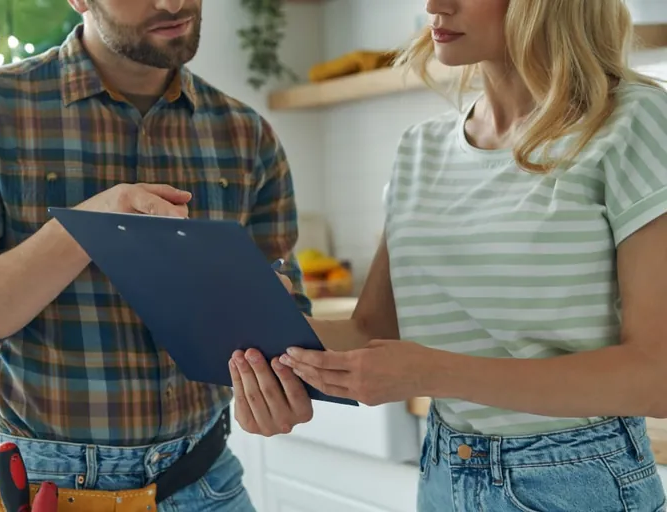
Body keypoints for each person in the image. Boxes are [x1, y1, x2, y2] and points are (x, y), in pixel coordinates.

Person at [231, 0, 667, 510]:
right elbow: (372, 332)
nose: (434, 6)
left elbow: (655, 377)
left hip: (577, 477)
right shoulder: (421, 149)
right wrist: (260, 324)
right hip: (445, 469)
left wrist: (433, 374)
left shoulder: (631, 121)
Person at [0, 0, 310, 510]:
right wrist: (91, 225)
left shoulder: (248, 136)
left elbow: (290, 324)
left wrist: (279, 377)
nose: (173, 2)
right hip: (45, 491)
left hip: (207, 481)